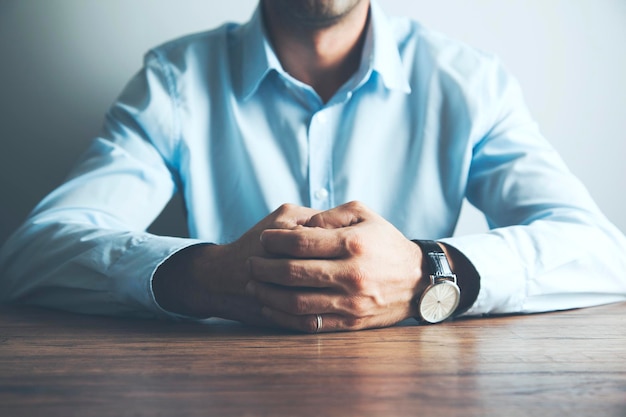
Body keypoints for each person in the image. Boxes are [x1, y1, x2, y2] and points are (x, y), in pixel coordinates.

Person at [1, 0, 625, 333]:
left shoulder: (470, 84)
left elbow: (602, 252)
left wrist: (426, 273)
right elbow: (34, 253)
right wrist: (206, 275)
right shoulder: (175, 81)